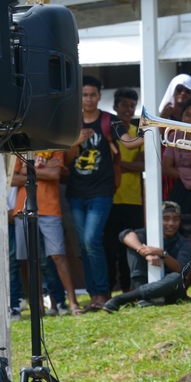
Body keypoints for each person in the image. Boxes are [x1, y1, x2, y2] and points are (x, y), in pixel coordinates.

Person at [66, 75, 121, 311]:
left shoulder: (110, 120)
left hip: (101, 191)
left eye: (92, 95)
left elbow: (126, 145)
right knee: (83, 244)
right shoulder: (70, 122)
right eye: (84, 95)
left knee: (91, 240)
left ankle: (102, 292)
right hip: (76, 192)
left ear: (99, 96)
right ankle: (94, 294)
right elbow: (67, 161)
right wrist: (76, 142)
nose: (88, 99)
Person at [11, 150, 82, 316]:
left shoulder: (54, 146)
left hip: (50, 208)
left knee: (58, 255)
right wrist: (43, 171)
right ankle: (37, 306)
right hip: (23, 208)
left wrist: (27, 171)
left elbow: (55, 174)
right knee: (30, 259)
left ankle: (73, 302)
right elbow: (12, 179)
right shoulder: (20, 149)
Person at [103, 201, 191, 312]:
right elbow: (125, 235)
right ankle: (144, 299)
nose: (171, 223)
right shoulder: (147, 234)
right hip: (143, 283)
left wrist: (162, 254)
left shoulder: (183, 242)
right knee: (134, 245)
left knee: (176, 277)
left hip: (170, 291)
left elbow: (181, 269)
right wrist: (144, 252)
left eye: (176, 219)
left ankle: (121, 299)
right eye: (166, 218)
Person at [105, 87, 145, 293]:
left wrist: (117, 166)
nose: (129, 109)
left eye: (132, 105)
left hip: (133, 199)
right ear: (115, 107)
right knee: (111, 248)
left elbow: (143, 166)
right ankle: (110, 289)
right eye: (124, 105)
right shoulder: (108, 130)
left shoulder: (138, 134)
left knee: (131, 247)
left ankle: (129, 289)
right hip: (110, 198)